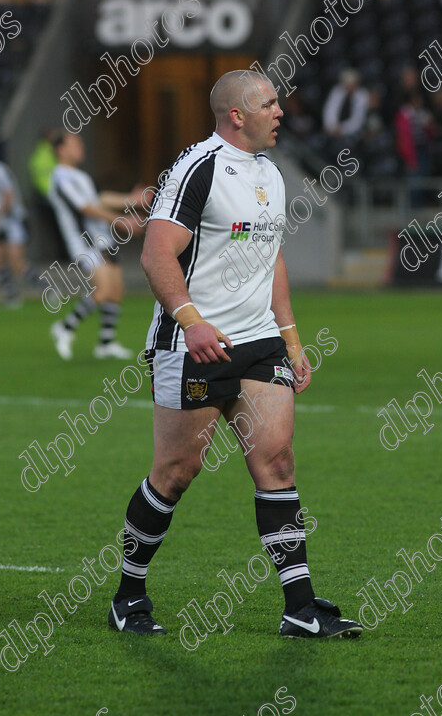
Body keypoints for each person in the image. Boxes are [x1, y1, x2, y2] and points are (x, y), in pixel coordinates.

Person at [108, 70, 362, 639]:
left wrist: (291, 338)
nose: (281, 111)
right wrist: (192, 322)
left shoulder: (271, 172)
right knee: (177, 472)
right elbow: (155, 255)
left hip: (259, 343)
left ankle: (299, 607)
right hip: (195, 345)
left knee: (276, 463)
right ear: (235, 116)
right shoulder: (197, 168)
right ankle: (128, 595)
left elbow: (270, 259)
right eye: (269, 103)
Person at [48, 130, 135, 360]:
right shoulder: (60, 176)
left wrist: (133, 200)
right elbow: (84, 208)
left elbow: (100, 200)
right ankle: (65, 328)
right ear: (60, 150)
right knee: (103, 290)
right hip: (84, 241)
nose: (81, 148)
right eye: (75, 144)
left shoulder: (81, 176)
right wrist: (120, 220)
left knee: (116, 291)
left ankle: (106, 343)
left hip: (103, 238)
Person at [0, 142, 29, 307]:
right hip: (1, 223)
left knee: (17, 263)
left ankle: (47, 289)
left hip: (11, 221)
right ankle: (11, 296)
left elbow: (8, 196)